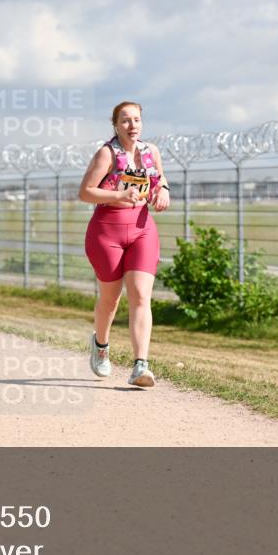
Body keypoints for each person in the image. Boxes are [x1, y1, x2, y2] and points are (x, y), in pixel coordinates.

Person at [78, 101, 170, 387]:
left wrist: (164, 190)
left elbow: (159, 178)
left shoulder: (150, 151)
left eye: (137, 120)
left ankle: (140, 365)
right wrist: (119, 196)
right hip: (107, 233)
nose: (133, 126)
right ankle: (101, 346)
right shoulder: (106, 154)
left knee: (141, 296)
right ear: (116, 125)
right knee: (111, 299)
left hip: (142, 229)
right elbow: (85, 192)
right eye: (126, 121)